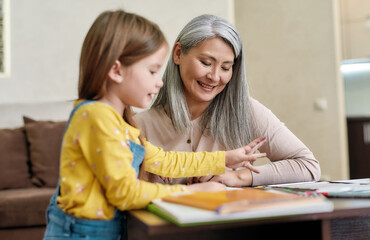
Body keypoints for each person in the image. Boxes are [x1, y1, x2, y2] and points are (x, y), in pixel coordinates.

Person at [43, 10, 267, 239]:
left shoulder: (118, 121)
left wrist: (224, 159)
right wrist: (193, 192)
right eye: (152, 71)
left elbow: (163, 160)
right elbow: (125, 192)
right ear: (116, 70)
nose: (160, 82)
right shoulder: (96, 117)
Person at [135, 14, 321, 187]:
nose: (215, 77)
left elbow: (308, 166)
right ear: (178, 54)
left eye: (226, 67)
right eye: (206, 63)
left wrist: (237, 177)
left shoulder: (246, 112)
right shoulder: (138, 126)